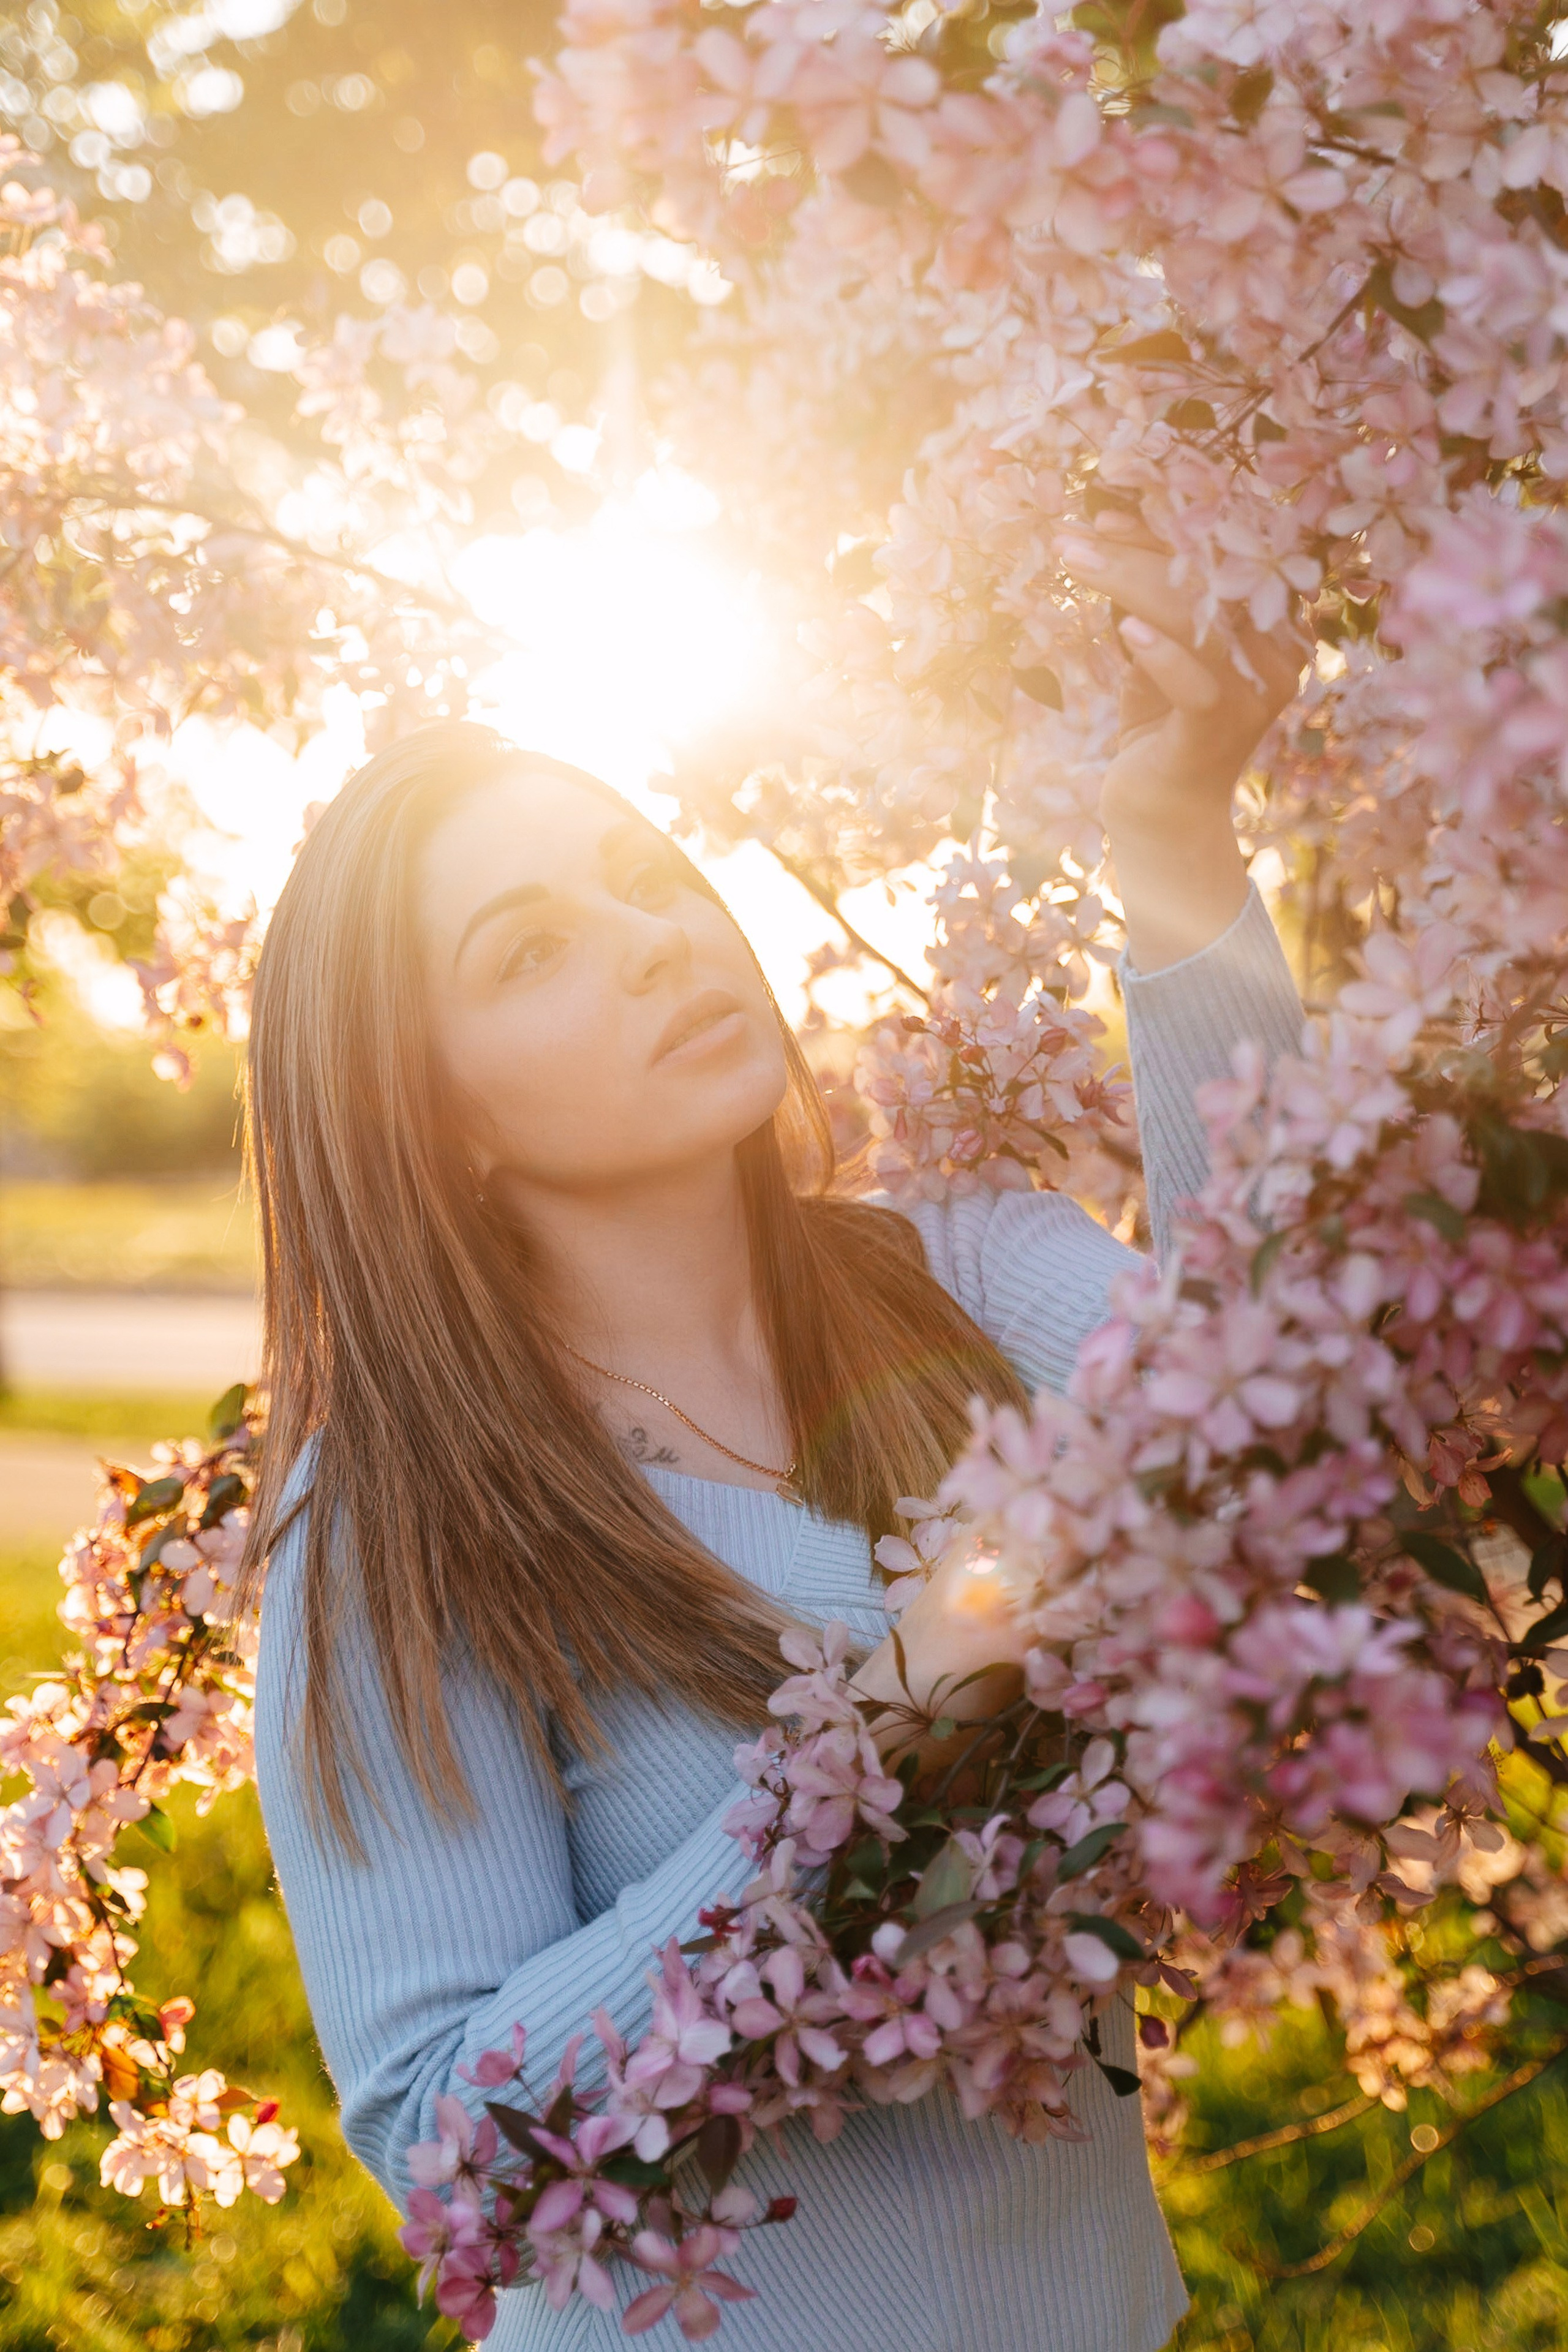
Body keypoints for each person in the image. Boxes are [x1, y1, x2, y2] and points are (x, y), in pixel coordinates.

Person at [248, 516, 1308, 2351]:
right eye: (532, 954)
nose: (657, 944)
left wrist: (1175, 840)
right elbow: (447, 2149)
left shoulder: (970, 1270)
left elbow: (1294, 1400)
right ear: (437, 1122)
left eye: (646, 880)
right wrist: (889, 1728)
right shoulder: (392, 1524)